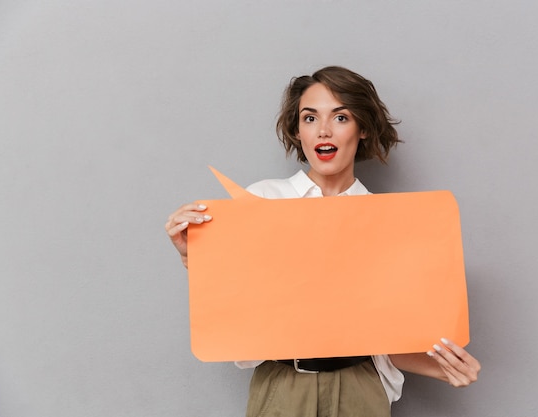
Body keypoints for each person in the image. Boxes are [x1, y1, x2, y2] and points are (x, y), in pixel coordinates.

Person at [165, 66, 481, 417]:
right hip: (283, 386)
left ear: (362, 128)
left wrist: (445, 367)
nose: (324, 131)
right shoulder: (262, 201)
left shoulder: (386, 222)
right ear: (297, 131)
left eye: (341, 117)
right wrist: (193, 257)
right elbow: (237, 311)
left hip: (361, 388)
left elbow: (381, 336)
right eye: (310, 118)